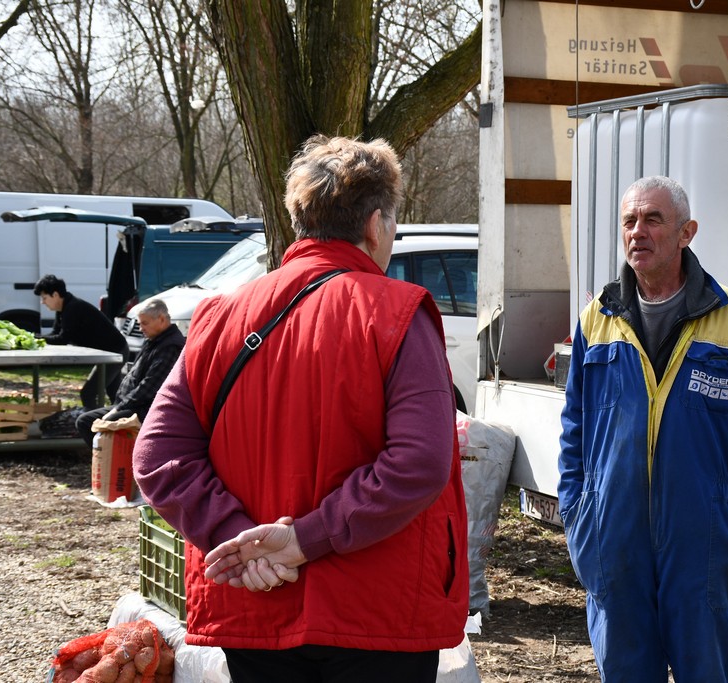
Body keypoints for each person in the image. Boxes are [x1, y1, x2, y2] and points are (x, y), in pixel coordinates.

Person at [132, 135, 468, 683]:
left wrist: (241, 540)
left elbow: (158, 456)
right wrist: (302, 540)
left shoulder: (219, 316)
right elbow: (420, 462)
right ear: (376, 224)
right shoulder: (396, 313)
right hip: (379, 610)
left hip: (254, 604)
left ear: (300, 221)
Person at [557, 176, 728, 683]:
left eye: (653, 219)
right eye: (629, 221)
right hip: (613, 536)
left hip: (705, 541)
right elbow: (574, 426)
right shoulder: (598, 317)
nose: (638, 232)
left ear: (686, 232)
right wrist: (578, 512)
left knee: (709, 671)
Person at [74, 299, 184, 446]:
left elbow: (148, 388)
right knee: (85, 421)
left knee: (98, 423)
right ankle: (105, 463)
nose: (141, 328)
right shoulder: (155, 339)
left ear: (162, 319)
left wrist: (118, 408)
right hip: (132, 405)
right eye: (140, 323)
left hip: (147, 409)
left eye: (145, 323)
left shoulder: (170, 347)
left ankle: (113, 464)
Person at [33, 274, 129, 408]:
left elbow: (62, 339)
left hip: (116, 352)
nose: (42, 302)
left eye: (44, 298)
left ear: (55, 295)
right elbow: (55, 334)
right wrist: (38, 339)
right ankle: (118, 425)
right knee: (115, 396)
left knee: (88, 393)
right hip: (110, 352)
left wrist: (35, 338)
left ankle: (93, 426)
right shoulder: (63, 308)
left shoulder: (73, 308)